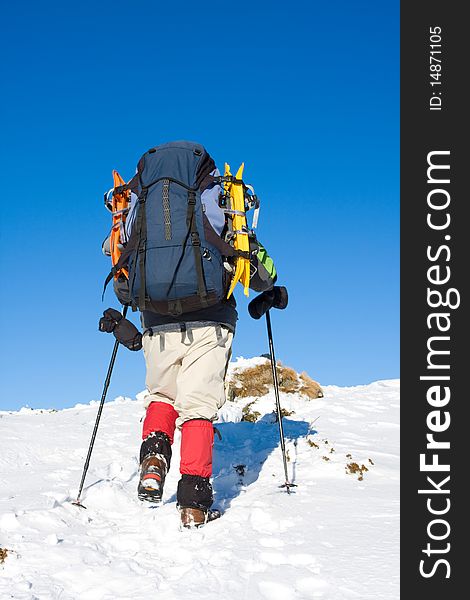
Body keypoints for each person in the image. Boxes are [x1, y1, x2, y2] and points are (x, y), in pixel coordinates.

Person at [100, 141, 276, 528]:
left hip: (156, 320)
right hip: (211, 319)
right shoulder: (219, 194)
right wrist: (271, 284)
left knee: (162, 395)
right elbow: (255, 261)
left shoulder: (140, 199)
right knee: (197, 408)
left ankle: (153, 460)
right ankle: (194, 502)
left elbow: (124, 277)